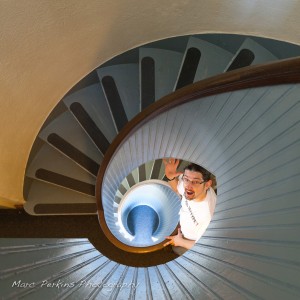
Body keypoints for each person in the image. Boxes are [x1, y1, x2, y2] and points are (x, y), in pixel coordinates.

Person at [163, 158, 217, 255]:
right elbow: (177, 188)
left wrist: (181, 242)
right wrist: (170, 177)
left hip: (192, 241)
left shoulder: (208, 215)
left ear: (207, 184)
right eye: (186, 179)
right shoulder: (190, 187)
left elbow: (207, 247)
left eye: (195, 182)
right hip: (184, 226)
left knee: (176, 250)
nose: (188, 185)